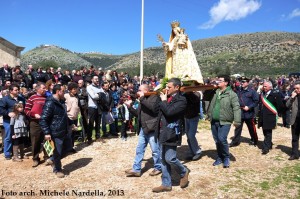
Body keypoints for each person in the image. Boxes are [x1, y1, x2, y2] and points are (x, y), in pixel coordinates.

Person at [152, 78, 189, 193]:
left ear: (177, 87)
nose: (166, 89)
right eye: (166, 87)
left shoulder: (182, 100)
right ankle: (166, 184)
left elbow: (169, 112)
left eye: (169, 87)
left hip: (172, 132)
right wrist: (159, 98)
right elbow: (155, 110)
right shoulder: (166, 97)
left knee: (170, 158)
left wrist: (163, 101)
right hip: (161, 131)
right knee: (163, 159)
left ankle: (183, 171)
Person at [124, 84, 162, 177]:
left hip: (152, 128)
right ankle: (136, 169)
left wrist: (142, 99)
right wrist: (130, 107)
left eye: (140, 90)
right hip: (143, 128)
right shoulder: (143, 99)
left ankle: (158, 167)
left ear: (145, 90)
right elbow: (138, 114)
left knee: (155, 150)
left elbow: (153, 109)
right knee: (139, 149)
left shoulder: (155, 97)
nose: (138, 92)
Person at [207, 75, 241, 168]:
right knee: (217, 140)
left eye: (220, 80)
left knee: (222, 139)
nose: (218, 82)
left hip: (225, 121)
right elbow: (205, 97)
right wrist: (210, 88)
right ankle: (219, 157)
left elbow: (236, 108)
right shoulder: (215, 92)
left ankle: (226, 157)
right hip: (214, 120)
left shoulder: (232, 94)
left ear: (226, 83)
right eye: (217, 80)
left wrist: (237, 121)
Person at [40, 84, 68, 178]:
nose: (64, 93)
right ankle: (57, 169)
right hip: (55, 131)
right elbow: (43, 119)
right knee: (58, 152)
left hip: (63, 130)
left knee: (67, 149)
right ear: (58, 91)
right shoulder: (50, 103)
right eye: (63, 91)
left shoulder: (61, 101)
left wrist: (71, 124)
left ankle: (52, 159)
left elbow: (63, 115)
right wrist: (47, 132)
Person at [230, 77, 259, 147]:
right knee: (238, 127)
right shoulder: (239, 91)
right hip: (240, 112)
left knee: (251, 128)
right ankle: (235, 141)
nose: (242, 83)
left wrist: (249, 107)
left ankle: (254, 140)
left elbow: (256, 101)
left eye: (243, 82)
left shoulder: (252, 91)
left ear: (248, 83)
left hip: (249, 113)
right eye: (241, 82)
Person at [24, 82, 48, 167]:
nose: (45, 89)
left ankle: (47, 157)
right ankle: (35, 159)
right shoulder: (32, 98)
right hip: (35, 123)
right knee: (35, 141)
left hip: (46, 122)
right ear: (38, 89)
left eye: (45, 88)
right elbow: (26, 110)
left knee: (47, 139)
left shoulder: (47, 98)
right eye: (43, 88)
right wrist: (34, 115)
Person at [258, 81, 284, 155]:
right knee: (264, 131)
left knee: (268, 132)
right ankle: (269, 144)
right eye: (264, 86)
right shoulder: (262, 94)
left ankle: (266, 148)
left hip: (270, 116)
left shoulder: (275, 95)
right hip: (262, 116)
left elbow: (280, 105)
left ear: (270, 87)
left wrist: (277, 113)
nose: (264, 87)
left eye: (265, 86)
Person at [0, 84, 24, 160]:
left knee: (19, 135)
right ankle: (7, 153)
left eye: (18, 89)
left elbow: (24, 107)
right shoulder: (5, 99)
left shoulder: (21, 98)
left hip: (19, 120)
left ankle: (17, 153)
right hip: (8, 120)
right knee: (9, 136)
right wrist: (8, 113)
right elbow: (1, 110)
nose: (17, 91)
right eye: (15, 90)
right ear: (11, 91)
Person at [184, 91, 202, 161]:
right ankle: (192, 151)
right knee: (188, 135)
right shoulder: (185, 94)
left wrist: (189, 92)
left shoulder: (196, 94)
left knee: (191, 135)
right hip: (186, 117)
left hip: (193, 117)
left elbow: (195, 100)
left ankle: (197, 151)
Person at [285, 81, 300, 160]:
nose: (296, 90)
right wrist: (292, 97)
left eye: (298, 88)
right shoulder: (294, 96)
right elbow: (287, 105)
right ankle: (295, 154)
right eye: (295, 89)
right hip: (295, 120)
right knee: (295, 138)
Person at [86, 76, 103, 144]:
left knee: (98, 122)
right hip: (92, 106)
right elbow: (93, 96)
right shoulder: (89, 87)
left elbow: (103, 95)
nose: (97, 80)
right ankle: (89, 138)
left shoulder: (99, 87)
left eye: (97, 79)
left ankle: (98, 136)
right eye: (95, 79)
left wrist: (98, 95)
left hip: (99, 107)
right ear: (92, 80)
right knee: (91, 123)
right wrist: (99, 95)